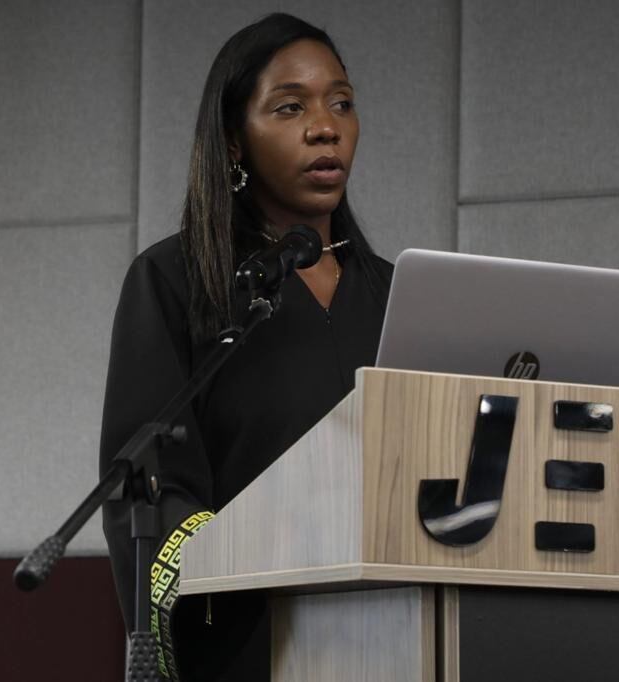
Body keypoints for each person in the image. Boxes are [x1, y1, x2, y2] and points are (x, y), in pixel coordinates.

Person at [99, 13, 393, 681]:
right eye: (291, 107)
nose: (326, 126)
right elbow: (152, 485)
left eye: (341, 102)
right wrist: (255, 549)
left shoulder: (398, 298)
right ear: (235, 141)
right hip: (252, 645)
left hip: (395, 636)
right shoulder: (176, 282)